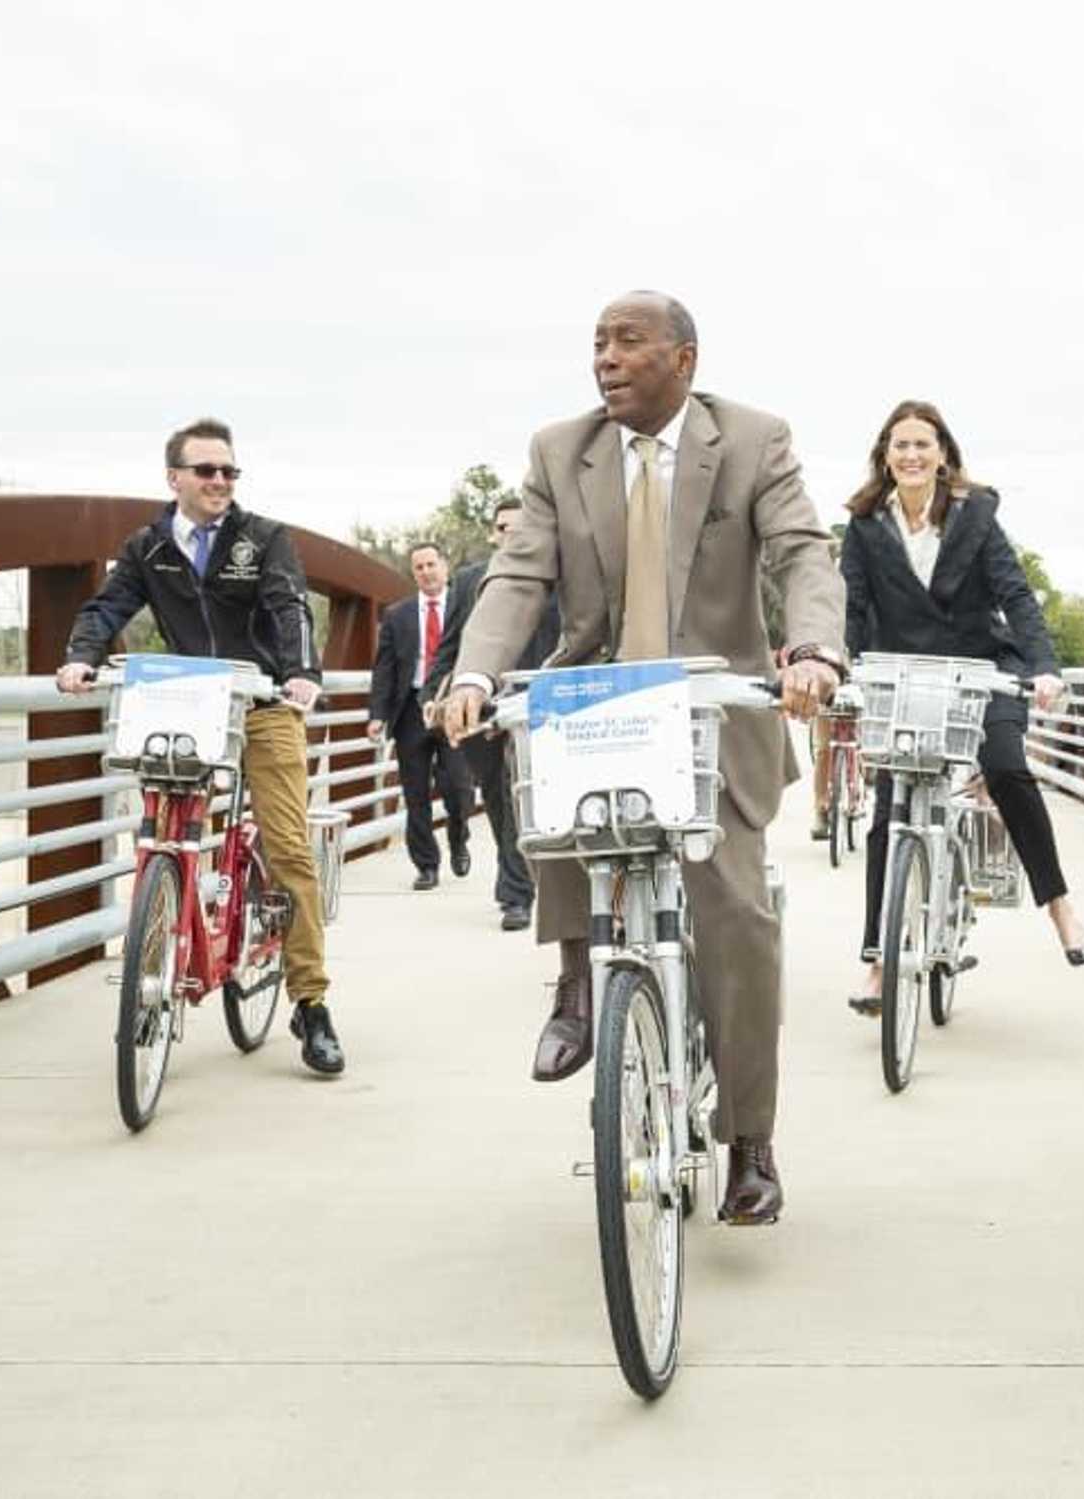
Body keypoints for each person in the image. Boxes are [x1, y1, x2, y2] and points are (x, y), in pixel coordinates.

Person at [441, 291, 845, 1226]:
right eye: (596, 344)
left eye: (628, 343)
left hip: (715, 706)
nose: (606, 360)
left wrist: (815, 649)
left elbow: (802, 554)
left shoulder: (752, 440)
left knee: (737, 914)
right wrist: (472, 673)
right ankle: (579, 974)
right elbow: (518, 574)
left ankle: (749, 1138)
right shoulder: (559, 449)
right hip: (602, 698)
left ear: (685, 358)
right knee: (536, 756)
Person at [57, 417, 345, 1075]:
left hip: (265, 700)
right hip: (189, 699)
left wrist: (301, 672)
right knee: (164, 827)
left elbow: (288, 605)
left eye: (229, 471)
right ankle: (167, 929)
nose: (220, 481)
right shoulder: (147, 546)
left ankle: (312, 1001)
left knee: (285, 843)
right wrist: (81, 656)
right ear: (174, 477)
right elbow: (107, 608)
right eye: (207, 470)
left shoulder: (263, 538)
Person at [839, 400, 1084, 1017]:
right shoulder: (865, 524)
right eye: (898, 445)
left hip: (982, 670)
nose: (910, 455)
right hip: (905, 677)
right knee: (887, 811)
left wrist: (1044, 669)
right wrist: (841, 668)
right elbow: (850, 605)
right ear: (884, 456)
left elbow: (1014, 592)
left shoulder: (976, 516)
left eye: (922, 444)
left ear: (943, 455)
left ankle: (1059, 906)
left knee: (1006, 770)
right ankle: (878, 961)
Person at [426, 497, 562, 931]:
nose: (511, 535)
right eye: (503, 528)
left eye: (520, 528)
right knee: (499, 801)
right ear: (492, 533)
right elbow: (449, 647)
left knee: (521, 795)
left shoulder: (559, 577)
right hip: (483, 713)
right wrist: (435, 692)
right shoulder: (468, 582)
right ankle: (519, 877)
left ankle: (515, 896)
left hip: (542, 707)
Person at [367, 542, 474, 891]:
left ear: (444, 566)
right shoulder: (397, 615)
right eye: (419, 567)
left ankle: (459, 837)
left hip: (450, 705)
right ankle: (426, 866)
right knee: (415, 794)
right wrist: (377, 715)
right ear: (413, 573)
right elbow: (384, 668)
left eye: (431, 564)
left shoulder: (463, 608)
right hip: (410, 709)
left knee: (458, 787)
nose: (426, 572)